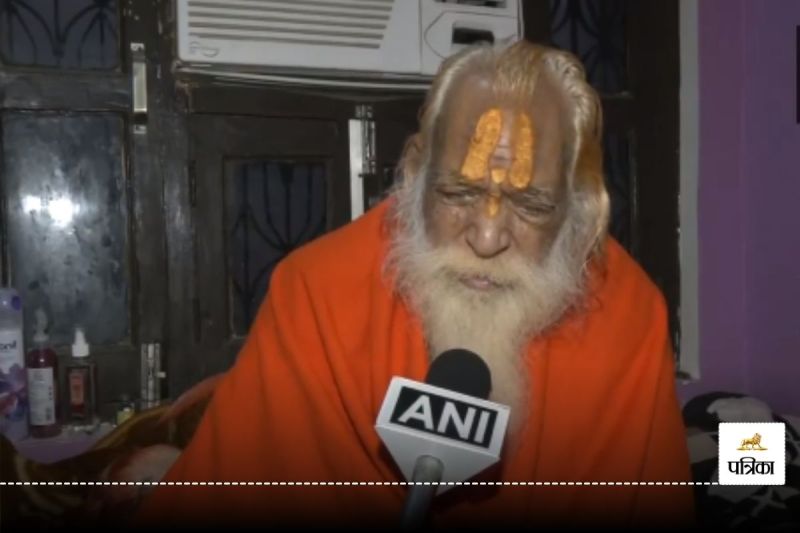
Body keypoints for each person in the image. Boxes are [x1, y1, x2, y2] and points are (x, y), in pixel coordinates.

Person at [134, 40, 695, 529]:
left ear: (580, 205)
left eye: (530, 205)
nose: (487, 238)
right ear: (415, 175)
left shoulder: (629, 313)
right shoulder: (317, 292)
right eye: (457, 194)